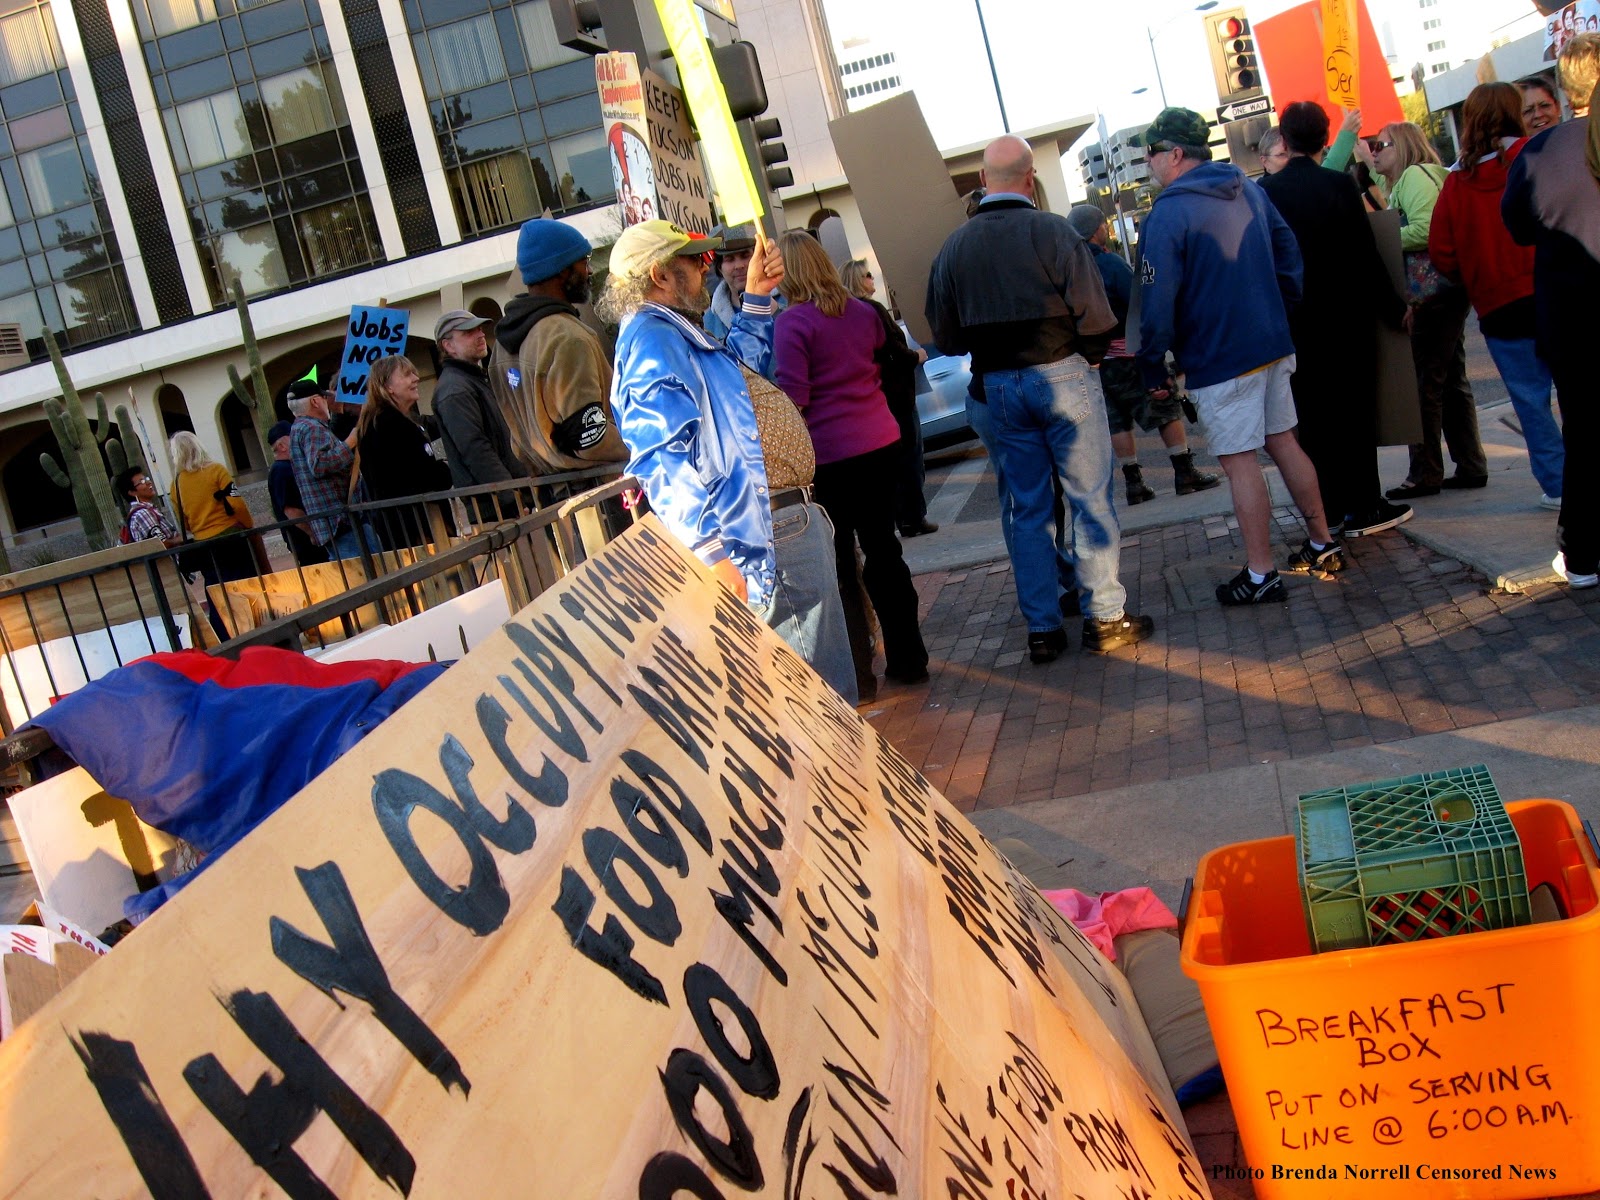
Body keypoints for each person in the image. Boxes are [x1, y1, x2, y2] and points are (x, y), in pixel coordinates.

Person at [596, 219, 858, 701]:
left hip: (770, 526)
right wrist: (710, 551)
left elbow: (735, 387)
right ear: (660, 275)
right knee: (818, 699)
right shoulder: (653, 338)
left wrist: (756, 297)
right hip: (763, 534)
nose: (706, 268)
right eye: (695, 260)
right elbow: (661, 457)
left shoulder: (667, 333)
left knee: (815, 694)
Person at [927, 134, 1153, 660]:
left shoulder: (955, 248)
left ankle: (1044, 629)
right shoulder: (1054, 232)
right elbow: (1097, 316)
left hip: (999, 383)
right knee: (1089, 498)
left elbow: (946, 336)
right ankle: (1105, 616)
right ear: (1030, 178)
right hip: (1063, 372)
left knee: (1027, 509)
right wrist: (1087, 357)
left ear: (983, 180)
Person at [1132, 107, 1337, 606]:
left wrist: (1150, 362)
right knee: (1284, 441)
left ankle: (1261, 572)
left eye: (1152, 154)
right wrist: (1279, 309)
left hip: (1219, 354)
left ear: (1174, 154)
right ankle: (1322, 542)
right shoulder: (1249, 188)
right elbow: (1287, 252)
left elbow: (1155, 300)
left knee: (1240, 461)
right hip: (1270, 340)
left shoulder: (1168, 213)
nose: (1149, 163)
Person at [776, 231, 930, 695]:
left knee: (841, 564)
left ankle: (859, 675)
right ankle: (909, 659)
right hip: (880, 442)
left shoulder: (792, 323)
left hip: (829, 457)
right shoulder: (864, 312)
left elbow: (794, 398)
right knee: (885, 551)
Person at [1259, 101, 1413, 538]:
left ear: (1284, 139)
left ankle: (1326, 507)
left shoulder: (1266, 194)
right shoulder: (1338, 185)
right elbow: (1364, 253)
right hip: (1346, 317)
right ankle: (1364, 504)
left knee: (1311, 417)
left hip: (1295, 321)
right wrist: (1394, 306)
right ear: (1325, 138)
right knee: (1355, 412)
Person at [1431, 83, 1564, 510]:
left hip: (1498, 305)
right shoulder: (1538, 155)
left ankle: (1558, 486)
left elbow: (1441, 252)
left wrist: (1474, 273)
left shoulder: (1456, 182)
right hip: (1554, 292)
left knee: (1530, 401)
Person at [1504, 33, 1600, 589]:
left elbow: (1518, 226)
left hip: (1572, 316)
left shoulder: (1540, 153)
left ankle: (1582, 554)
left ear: (1565, 90)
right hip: (1573, 314)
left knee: (1584, 434)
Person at [1357, 122, 1487, 498]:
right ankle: (1470, 464)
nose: (1375, 152)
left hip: (1431, 292)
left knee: (1424, 384)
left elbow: (1426, 229)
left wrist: (1382, 236)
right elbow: (1394, 199)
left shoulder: (1415, 176)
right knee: (1450, 380)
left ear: (1402, 146)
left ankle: (1425, 472)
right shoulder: (1421, 176)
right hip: (1449, 289)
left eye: (1381, 145)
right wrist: (1366, 161)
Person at [1064, 204, 1219, 505]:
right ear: (1096, 230)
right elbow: (1139, 302)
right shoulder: (1110, 264)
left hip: (1095, 361)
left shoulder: (1070, 270)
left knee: (1117, 420)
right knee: (1164, 408)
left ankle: (1134, 483)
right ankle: (1184, 472)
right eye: (1103, 225)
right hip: (1130, 352)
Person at [489, 218, 626, 477]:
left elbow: (520, 442)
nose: (589, 271)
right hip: (600, 486)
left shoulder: (501, 345)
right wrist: (642, 448)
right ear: (562, 270)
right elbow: (591, 438)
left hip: (551, 488)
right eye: (584, 261)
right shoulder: (568, 338)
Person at [839, 258, 938, 538]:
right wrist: (916, 356)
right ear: (858, 280)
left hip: (876, 397)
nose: (873, 279)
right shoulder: (873, 310)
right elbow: (892, 350)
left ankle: (901, 517)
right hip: (897, 395)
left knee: (891, 463)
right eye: (868, 275)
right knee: (910, 457)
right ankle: (913, 517)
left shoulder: (847, 314)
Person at [434, 309, 525, 519]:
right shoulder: (455, 389)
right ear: (448, 346)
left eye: (480, 329)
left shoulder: (471, 380)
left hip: (507, 499)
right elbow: (475, 449)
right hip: (498, 508)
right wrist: (511, 496)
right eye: (468, 332)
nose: (481, 335)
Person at [355, 355, 454, 548]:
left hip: (412, 527)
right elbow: (420, 475)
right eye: (407, 375)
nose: (416, 379)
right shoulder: (389, 424)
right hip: (416, 531)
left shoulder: (389, 421)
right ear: (388, 386)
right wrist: (443, 471)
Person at [169, 431, 258, 640]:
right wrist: (248, 525)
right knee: (246, 587)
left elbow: (183, 521)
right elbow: (236, 503)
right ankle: (255, 633)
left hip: (204, 546)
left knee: (216, 595)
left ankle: (225, 640)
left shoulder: (176, 485)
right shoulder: (216, 470)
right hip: (231, 539)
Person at [287, 383, 368, 561]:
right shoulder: (312, 428)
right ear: (315, 401)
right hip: (341, 520)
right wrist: (350, 442)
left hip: (331, 523)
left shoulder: (298, 428)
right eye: (324, 397)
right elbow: (320, 465)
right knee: (372, 568)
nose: (327, 401)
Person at [265, 419, 327, 566]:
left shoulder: (288, 467)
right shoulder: (281, 470)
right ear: (282, 446)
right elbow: (291, 509)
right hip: (306, 542)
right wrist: (313, 532)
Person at [113, 466, 179, 547]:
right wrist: (181, 539)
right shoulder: (142, 513)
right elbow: (160, 543)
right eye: (142, 481)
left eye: (146, 479)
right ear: (132, 492)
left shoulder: (147, 510)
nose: (149, 482)